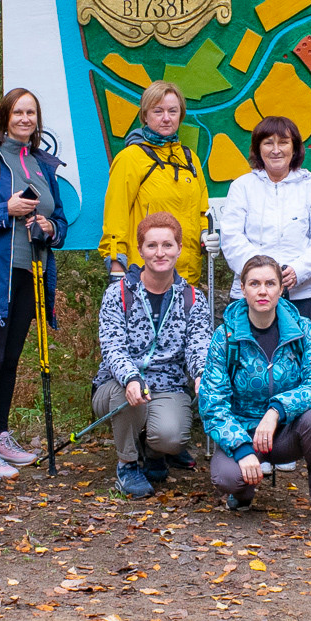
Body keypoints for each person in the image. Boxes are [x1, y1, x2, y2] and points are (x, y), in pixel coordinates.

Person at [0, 88, 69, 479]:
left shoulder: (41, 164)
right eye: (18, 112)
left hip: (32, 273)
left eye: (31, 113)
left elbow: (61, 223)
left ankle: (0, 435)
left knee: (10, 359)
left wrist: (48, 226)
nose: (25, 119)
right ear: (5, 117)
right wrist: (4, 210)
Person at [199, 255, 311, 521]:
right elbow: (212, 402)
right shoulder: (225, 336)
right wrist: (241, 448)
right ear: (242, 289)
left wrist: (277, 409)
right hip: (242, 430)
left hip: (287, 432)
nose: (262, 291)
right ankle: (243, 491)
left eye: (270, 283)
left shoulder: (302, 329)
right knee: (226, 477)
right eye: (254, 283)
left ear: (281, 289)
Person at [90, 213, 214, 498]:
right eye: (152, 245)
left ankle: (154, 449)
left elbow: (199, 343)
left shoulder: (193, 298)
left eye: (168, 245)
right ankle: (128, 464)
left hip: (167, 386)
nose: (160, 253)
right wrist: (131, 377)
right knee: (126, 393)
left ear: (180, 248)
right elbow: (112, 346)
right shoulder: (118, 293)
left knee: (172, 437)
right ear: (141, 250)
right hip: (117, 387)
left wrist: (200, 373)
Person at [220, 116, 311, 321]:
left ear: (295, 147)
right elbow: (231, 238)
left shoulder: (310, 184)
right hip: (251, 294)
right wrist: (262, 276)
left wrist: (298, 271)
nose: (276, 150)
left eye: (283, 142)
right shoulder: (242, 186)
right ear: (257, 148)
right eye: (268, 143)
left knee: (295, 351)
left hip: (301, 293)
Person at [100, 81, 212, 287]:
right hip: (144, 275)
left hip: (187, 276)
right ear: (145, 115)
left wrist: (206, 233)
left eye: (173, 111)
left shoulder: (190, 160)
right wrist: (116, 262)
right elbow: (116, 213)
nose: (166, 118)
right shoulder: (130, 158)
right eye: (158, 111)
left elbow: (201, 211)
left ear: (181, 114)